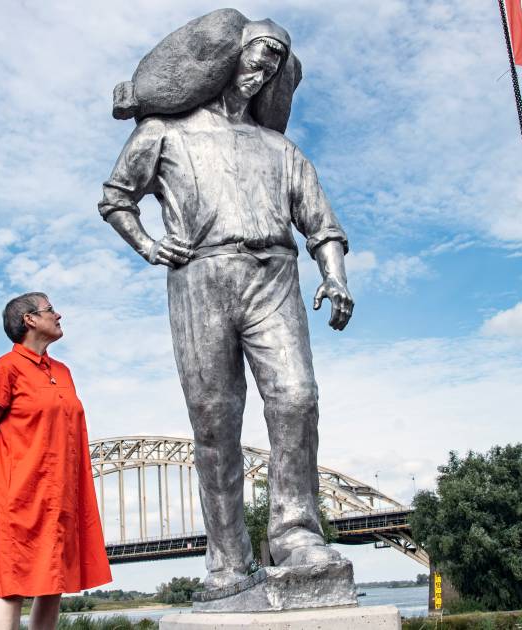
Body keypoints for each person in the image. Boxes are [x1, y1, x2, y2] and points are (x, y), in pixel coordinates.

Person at [99, 19, 354, 589]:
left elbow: (323, 225)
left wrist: (335, 278)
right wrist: (146, 244)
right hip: (200, 276)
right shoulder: (163, 132)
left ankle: (295, 534)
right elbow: (116, 198)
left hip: (275, 274)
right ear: (225, 60)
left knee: (296, 397)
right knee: (216, 420)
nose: (259, 72)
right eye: (254, 58)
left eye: (272, 66)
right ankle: (228, 559)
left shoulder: (280, 148)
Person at [0, 292, 111, 630]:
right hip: (21, 499)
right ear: (29, 319)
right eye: (50, 310)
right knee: (12, 588)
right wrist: (4, 484)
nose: (59, 315)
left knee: (53, 586)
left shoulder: (63, 371)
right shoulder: (5, 369)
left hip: (62, 498)